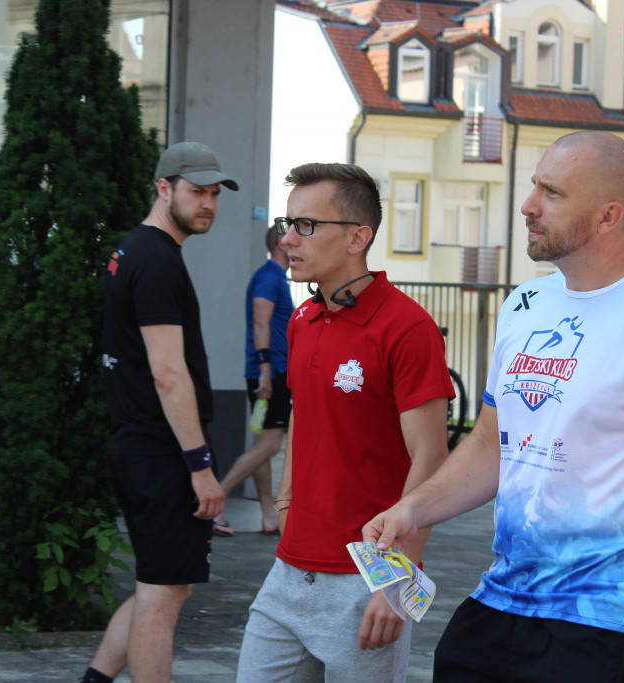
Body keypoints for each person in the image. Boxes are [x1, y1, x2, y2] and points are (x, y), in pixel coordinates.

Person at [364, 131, 624, 683]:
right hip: (500, 603)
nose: (528, 205)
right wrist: (414, 509)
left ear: (609, 216)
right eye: (535, 186)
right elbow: (490, 444)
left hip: (607, 622)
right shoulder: (524, 304)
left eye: (552, 193)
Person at [235, 163, 454, 682]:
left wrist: (398, 578)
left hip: (367, 577)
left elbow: (431, 457)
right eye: (289, 223)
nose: (288, 239)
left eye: (306, 225)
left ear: (358, 237)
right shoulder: (303, 320)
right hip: (288, 571)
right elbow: (305, 418)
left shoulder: (408, 327)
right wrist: (285, 502)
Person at [82, 141, 236, 683]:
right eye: (197, 192)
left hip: (144, 446)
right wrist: (200, 466)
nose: (208, 204)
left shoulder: (138, 251)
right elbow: (167, 372)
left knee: (163, 582)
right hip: (160, 450)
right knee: (163, 594)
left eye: (214, 194)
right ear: (164, 188)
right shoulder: (156, 261)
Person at [213, 226, 294, 537]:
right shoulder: (269, 277)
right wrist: (265, 371)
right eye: (293, 238)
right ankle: (216, 499)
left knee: (263, 446)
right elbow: (260, 323)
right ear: (280, 243)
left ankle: (268, 517)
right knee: (271, 445)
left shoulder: (275, 277)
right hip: (270, 373)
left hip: (268, 372)